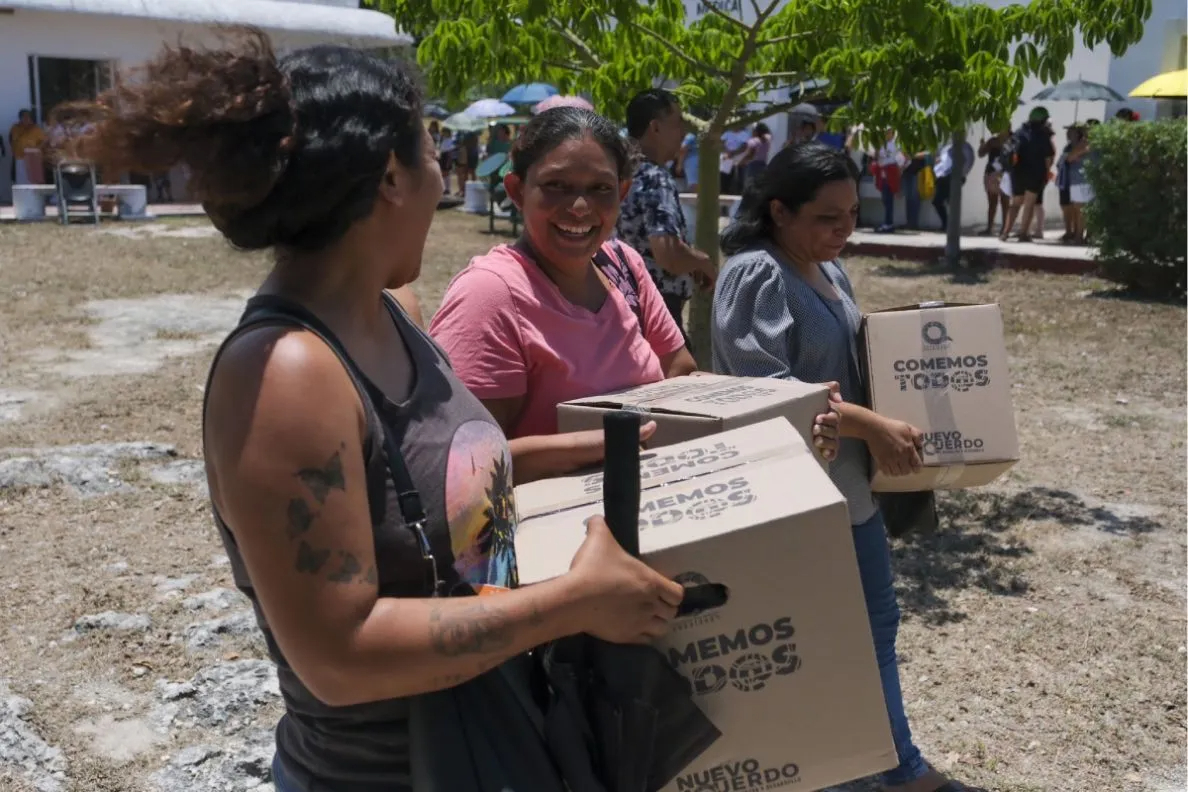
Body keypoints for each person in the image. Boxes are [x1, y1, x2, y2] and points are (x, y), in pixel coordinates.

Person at [74, 29, 684, 791]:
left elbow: (414, 500)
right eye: (432, 153)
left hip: (493, 741)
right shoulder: (289, 372)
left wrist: (560, 454)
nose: (444, 177)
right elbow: (341, 655)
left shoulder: (389, 314)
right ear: (392, 176)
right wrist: (575, 604)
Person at [711, 141, 984, 792]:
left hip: (850, 490)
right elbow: (762, 392)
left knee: (878, 627)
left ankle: (897, 764)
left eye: (851, 216)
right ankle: (853, 773)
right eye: (826, 219)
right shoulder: (756, 273)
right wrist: (872, 424)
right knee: (824, 639)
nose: (843, 232)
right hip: (795, 499)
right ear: (779, 211)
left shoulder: (830, 272)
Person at [429, 108, 729, 484]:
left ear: (621, 192)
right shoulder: (490, 295)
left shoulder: (624, 266)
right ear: (517, 191)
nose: (580, 208)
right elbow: (459, 465)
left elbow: (680, 377)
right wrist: (598, 446)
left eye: (600, 189)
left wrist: (768, 406)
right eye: (557, 185)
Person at [617, 89, 716, 341]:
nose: (683, 133)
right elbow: (668, 253)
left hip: (620, 303)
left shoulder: (619, 172)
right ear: (655, 128)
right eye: (677, 124)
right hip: (657, 311)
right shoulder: (654, 177)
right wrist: (701, 261)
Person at [1000, 106, 1055, 242]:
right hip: (1035, 173)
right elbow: (1048, 158)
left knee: (1015, 204)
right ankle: (1023, 234)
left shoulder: (1019, 132)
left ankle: (1005, 233)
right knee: (1029, 204)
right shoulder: (1043, 135)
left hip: (1017, 172)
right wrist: (1047, 173)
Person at [930, 137, 975, 231]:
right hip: (942, 176)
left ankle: (950, 226)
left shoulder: (965, 147)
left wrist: (960, 174)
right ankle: (947, 224)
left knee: (950, 201)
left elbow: (967, 162)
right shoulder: (946, 146)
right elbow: (940, 159)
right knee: (939, 201)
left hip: (953, 176)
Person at [977, 129, 1010, 235]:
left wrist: (983, 146)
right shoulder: (994, 141)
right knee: (994, 203)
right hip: (995, 174)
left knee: (1003, 203)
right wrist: (982, 145)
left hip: (1002, 174)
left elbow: (981, 153)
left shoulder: (1005, 141)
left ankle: (1002, 228)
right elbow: (981, 153)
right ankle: (993, 228)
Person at [872, 130, 904, 233]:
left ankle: (888, 223)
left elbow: (901, 160)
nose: (886, 134)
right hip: (882, 173)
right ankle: (887, 222)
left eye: (888, 132)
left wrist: (898, 174)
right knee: (885, 199)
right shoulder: (881, 144)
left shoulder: (896, 144)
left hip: (891, 172)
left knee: (888, 199)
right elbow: (877, 157)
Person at [9, 109, 47, 185]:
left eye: (28, 117)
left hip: (33, 157)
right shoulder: (15, 128)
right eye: (24, 117)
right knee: (21, 181)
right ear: (20, 118)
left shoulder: (36, 129)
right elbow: (11, 139)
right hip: (20, 157)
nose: (26, 119)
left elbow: (44, 141)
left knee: (33, 182)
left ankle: (34, 197)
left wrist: (37, 149)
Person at [736, 122, 773, 191]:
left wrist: (741, 162)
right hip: (763, 164)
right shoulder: (767, 142)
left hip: (753, 165)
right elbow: (769, 135)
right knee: (759, 185)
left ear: (756, 132)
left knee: (750, 185)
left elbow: (750, 155)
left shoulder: (753, 141)